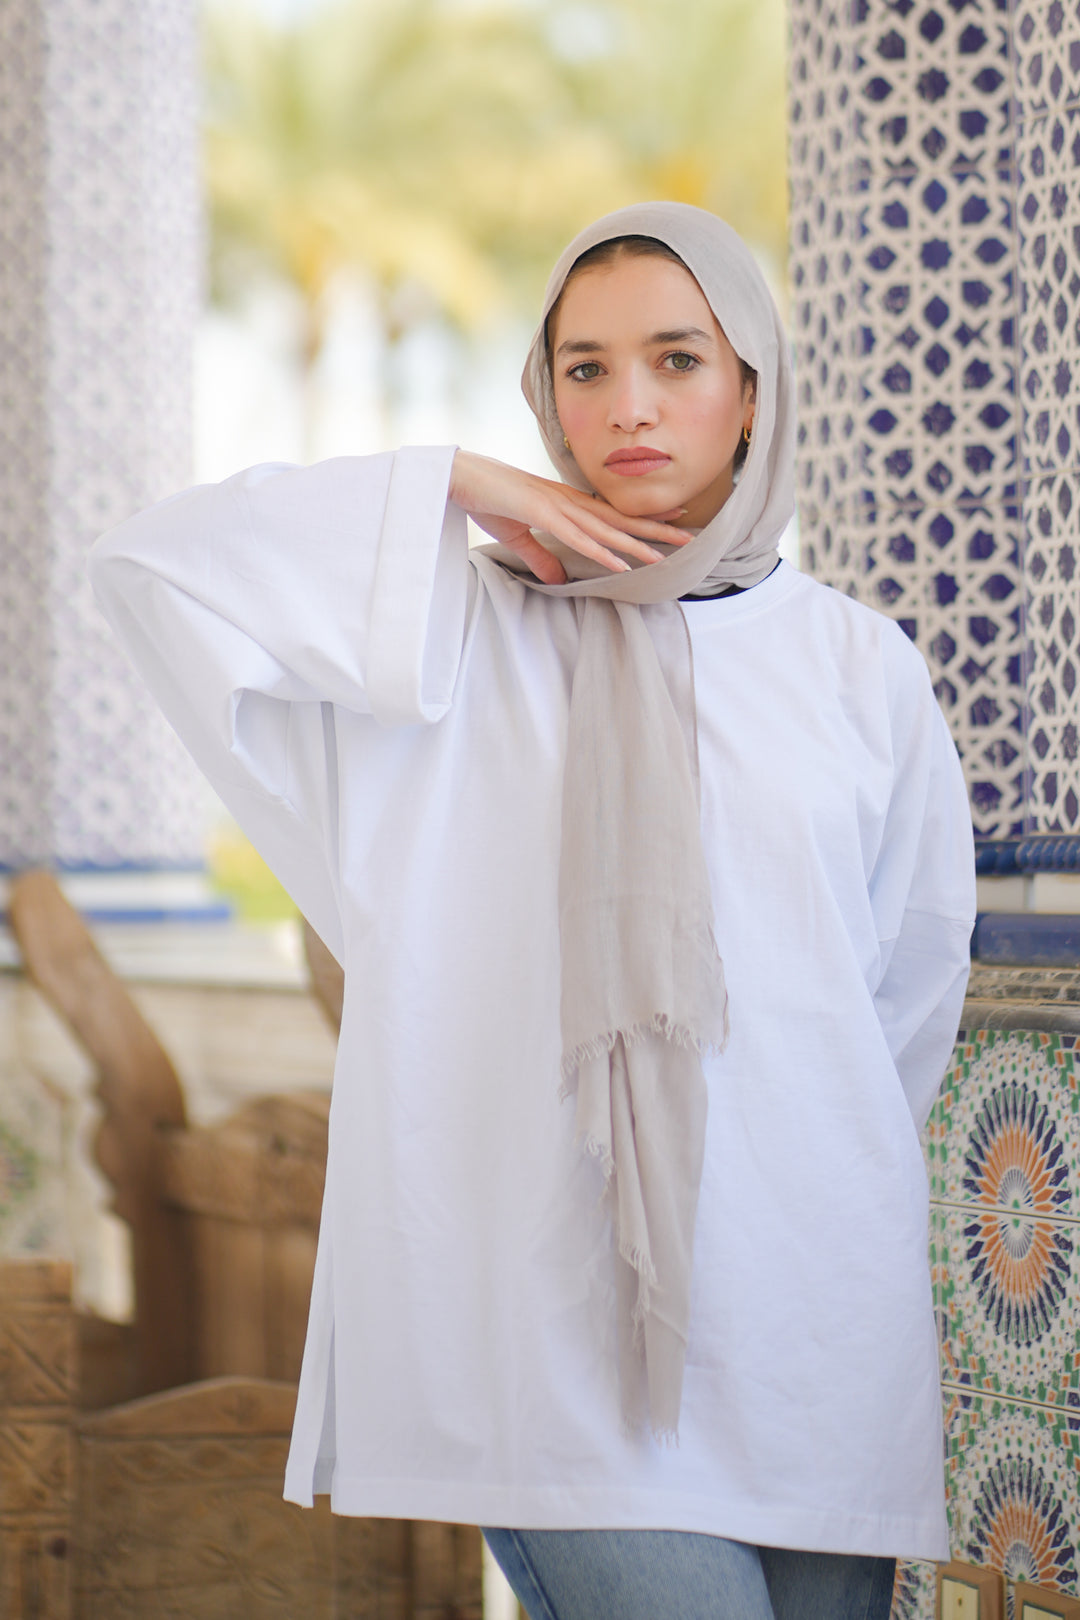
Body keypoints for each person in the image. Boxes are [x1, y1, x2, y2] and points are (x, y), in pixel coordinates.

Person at [89, 202, 975, 1620]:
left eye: (679, 361)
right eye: (583, 368)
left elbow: (905, 998)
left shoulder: (858, 669)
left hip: (813, 1324)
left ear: (753, 392)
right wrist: (450, 484)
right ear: (541, 398)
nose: (628, 406)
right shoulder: (447, 645)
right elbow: (152, 566)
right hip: (550, 1342)